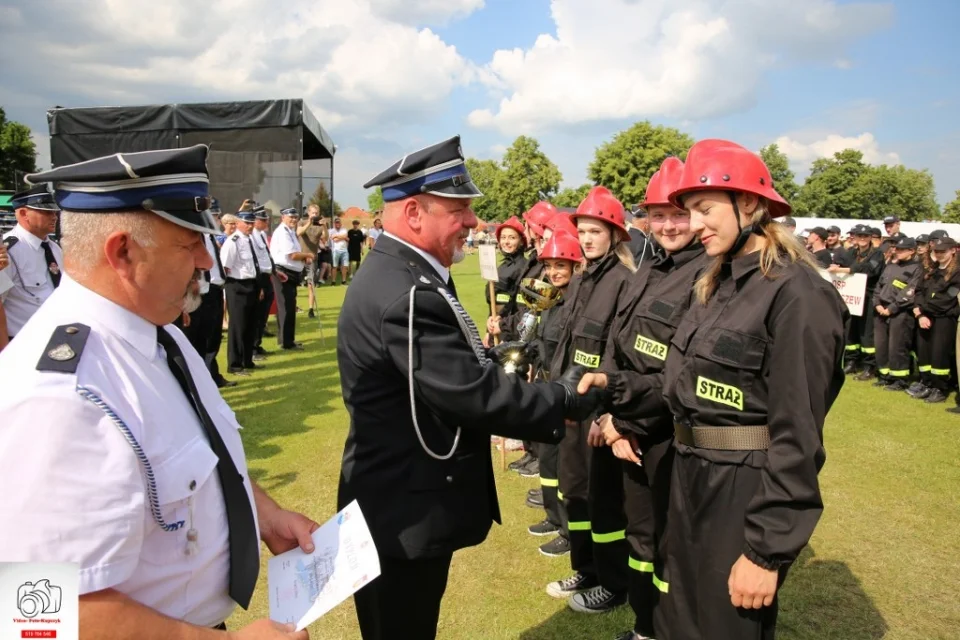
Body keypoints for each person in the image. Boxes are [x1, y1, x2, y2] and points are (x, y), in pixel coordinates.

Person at [0, 145, 316, 639]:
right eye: (188, 242)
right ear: (122, 252)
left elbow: (197, 461)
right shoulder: (60, 397)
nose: (206, 258)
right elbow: (38, 614)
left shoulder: (156, 333)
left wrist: (267, 516)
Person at [337, 135, 602, 640]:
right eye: (459, 209)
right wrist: (563, 398)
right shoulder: (407, 290)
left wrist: (496, 358)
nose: (474, 222)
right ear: (414, 212)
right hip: (405, 510)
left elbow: (446, 369)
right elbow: (472, 395)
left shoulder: (409, 273)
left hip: (397, 499)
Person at [648, 138, 847, 640]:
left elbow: (798, 436)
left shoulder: (799, 295)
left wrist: (765, 549)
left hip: (742, 491)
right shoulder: (714, 283)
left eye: (704, 210)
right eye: (689, 212)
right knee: (678, 621)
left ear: (752, 205)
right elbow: (678, 385)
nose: (694, 226)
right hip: (688, 479)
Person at [578, 157, 709, 640]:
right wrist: (612, 413)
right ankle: (644, 625)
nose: (669, 224)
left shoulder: (707, 275)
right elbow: (618, 345)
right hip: (626, 420)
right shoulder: (652, 266)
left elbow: (681, 371)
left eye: (678, 213)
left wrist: (628, 424)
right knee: (640, 533)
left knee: (666, 543)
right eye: (658, 215)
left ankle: (659, 628)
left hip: (664, 432)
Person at [547, 185, 635, 615]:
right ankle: (585, 567)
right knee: (575, 491)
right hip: (572, 404)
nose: (586, 238)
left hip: (599, 408)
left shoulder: (625, 282)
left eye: (596, 230)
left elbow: (619, 353)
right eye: (582, 230)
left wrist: (607, 413)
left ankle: (613, 581)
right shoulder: (580, 280)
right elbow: (566, 342)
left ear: (615, 234)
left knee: (604, 500)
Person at [490, 227, 584, 557]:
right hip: (544, 388)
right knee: (547, 460)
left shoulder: (577, 306)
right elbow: (535, 341)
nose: (554, 272)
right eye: (550, 266)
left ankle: (567, 530)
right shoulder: (548, 301)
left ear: (576, 267)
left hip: (564, 396)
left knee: (564, 467)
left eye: (562, 265)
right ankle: (552, 516)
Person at [184, 198, 235, 388]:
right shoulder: (194, 235)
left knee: (213, 337)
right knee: (196, 339)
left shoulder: (210, 235)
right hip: (198, 291)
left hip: (213, 289)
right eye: (212, 215)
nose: (215, 218)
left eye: (216, 215)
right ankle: (198, 381)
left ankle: (212, 375)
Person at [2, 185, 63, 339]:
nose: (54, 216)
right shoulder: (8, 251)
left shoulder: (54, 248)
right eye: (47, 212)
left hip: (54, 338)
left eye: (55, 211)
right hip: (21, 342)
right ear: (23, 213)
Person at [829, 224, 884, 379]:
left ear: (870, 237)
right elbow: (848, 265)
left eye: (865, 236)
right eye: (859, 235)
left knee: (867, 334)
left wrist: (845, 269)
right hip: (852, 297)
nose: (862, 238)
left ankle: (869, 366)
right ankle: (851, 362)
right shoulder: (852, 252)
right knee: (851, 331)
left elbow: (869, 270)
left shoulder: (877, 254)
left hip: (868, 298)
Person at [909, 236, 960, 404]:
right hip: (926, 317)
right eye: (936, 251)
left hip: (944, 319)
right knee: (924, 353)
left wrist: (923, 310)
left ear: (953, 250)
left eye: (942, 251)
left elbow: (948, 299)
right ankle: (928, 383)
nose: (938, 254)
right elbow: (919, 291)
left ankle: (941, 388)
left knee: (940, 354)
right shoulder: (932, 270)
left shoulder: (957, 272)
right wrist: (921, 314)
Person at [872, 236, 921, 391]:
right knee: (881, 346)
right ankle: (885, 376)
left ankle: (899, 379)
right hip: (881, 309)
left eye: (901, 249)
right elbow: (879, 286)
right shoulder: (891, 266)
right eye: (896, 249)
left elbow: (910, 292)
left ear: (911, 251)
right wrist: (877, 303)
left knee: (897, 347)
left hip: (900, 312)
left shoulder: (917, 268)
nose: (897, 252)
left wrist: (892, 308)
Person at [221, 211, 263, 376]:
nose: (250, 226)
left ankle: (247, 361)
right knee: (238, 326)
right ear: (238, 223)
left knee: (250, 325)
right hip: (237, 285)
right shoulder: (233, 241)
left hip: (251, 284)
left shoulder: (249, 240)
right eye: (247, 223)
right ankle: (235, 364)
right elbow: (225, 267)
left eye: (252, 223)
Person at [271, 208, 313, 350]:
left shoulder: (290, 232)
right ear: (283, 217)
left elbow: (295, 255)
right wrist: (308, 255)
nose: (294, 220)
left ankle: (288, 339)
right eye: (291, 217)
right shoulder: (282, 232)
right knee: (286, 308)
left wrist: (304, 259)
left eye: (295, 217)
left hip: (291, 273)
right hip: (283, 273)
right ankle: (285, 342)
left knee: (289, 307)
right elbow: (292, 255)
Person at [252, 206, 283, 356]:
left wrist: (275, 271)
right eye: (263, 220)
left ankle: (257, 345)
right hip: (258, 277)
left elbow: (266, 257)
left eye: (266, 219)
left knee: (263, 315)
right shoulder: (251, 235)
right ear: (255, 221)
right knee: (256, 315)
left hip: (267, 275)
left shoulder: (262, 235)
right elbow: (255, 261)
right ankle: (252, 347)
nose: (266, 222)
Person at [485, 215, 527, 321]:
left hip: (507, 329)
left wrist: (502, 326)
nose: (506, 242)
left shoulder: (523, 268)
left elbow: (517, 306)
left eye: (512, 238)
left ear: (521, 241)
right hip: (495, 324)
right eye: (503, 237)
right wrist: (488, 329)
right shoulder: (503, 266)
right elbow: (494, 302)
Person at [297, 204, 325, 316]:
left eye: (316, 213)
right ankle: (294, 306)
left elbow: (325, 238)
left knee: (311, 284)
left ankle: (311, 309)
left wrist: (325, 227)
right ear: (308, 213)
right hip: (299, 257)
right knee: (294, 284)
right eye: (313, 213)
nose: (314, 215)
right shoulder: (302, 222)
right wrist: (309, 222)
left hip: (312, 258)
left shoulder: (319, 226)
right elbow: (299, 232)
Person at [330, 218, 349, 284]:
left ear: (341, 223)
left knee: (345, 266)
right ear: (334, 223)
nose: (338, 224)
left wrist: (337, 236)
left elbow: (345, 236)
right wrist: (343, 237)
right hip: (335, 250)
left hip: (344, 250)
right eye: (336, 223)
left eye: (339, 223)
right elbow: (334, 239)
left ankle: (344, 281)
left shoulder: (344, 229)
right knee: (335, 266)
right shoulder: (331, 230)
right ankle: (333, 281)